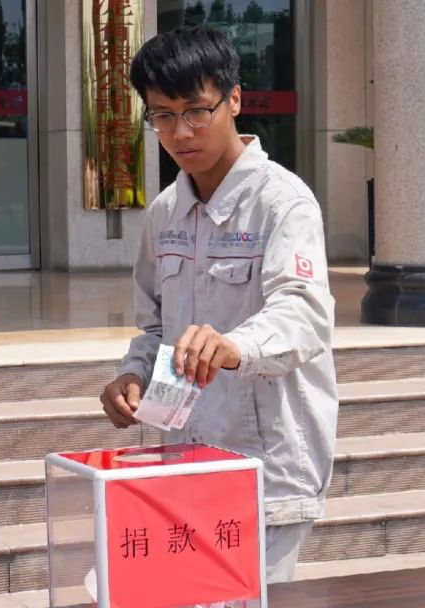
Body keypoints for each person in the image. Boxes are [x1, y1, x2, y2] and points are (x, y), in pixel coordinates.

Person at [99, 26, 338, 585]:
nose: (180, 132)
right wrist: (132, 375)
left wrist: (234, 346)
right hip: (187, 461)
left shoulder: (284, 203)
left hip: (268, 468)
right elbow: (155, 326)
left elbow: (304, 314)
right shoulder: (164, 213)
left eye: (195, 111)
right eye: (162, 116)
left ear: (234, 99)